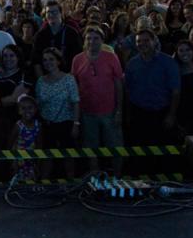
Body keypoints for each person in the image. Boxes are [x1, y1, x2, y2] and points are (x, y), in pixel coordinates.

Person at [71, 27, 124, 173]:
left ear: (102, 41)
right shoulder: (77, 60)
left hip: (110, 111)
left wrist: (119, 110)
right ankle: (94, 177)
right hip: (87, 112)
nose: (92, 42)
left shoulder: (111, 57)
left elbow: (119, 85)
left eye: (96, 38)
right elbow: (74, 86)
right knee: (90, 148)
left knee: (115, 146)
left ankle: (117, 177)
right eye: (89, 38)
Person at [124, 29, 180, 145]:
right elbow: (127, 90)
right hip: (139, 113)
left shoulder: (168, 62)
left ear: (154, 41)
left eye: (146, 40)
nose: (142, 44)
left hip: (161, 113)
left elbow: (175, 91)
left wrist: (171, 115)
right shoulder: (132, 64)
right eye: (139, 41)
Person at [35, 47, 81, 177]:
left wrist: (76, 124)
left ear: (58, 61)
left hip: (66, 123)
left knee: (68, 157)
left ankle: (70, 184)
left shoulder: (69, 79)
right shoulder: (40, 81)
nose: (48, 62)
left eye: (51, 59)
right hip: (47, 124)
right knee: (47, 157)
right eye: (45, 60)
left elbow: (76, 102)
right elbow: (38, 104)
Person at [30, 1, 82, 76]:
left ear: (61, 14)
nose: (51, 15)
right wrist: (42, 81)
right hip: (46, 77)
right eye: (48, 12)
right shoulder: (40, 35)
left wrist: (70, 79)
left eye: (54, 12)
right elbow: (36, 61)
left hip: (67, 76)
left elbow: (78, 59)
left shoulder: (72, 33)